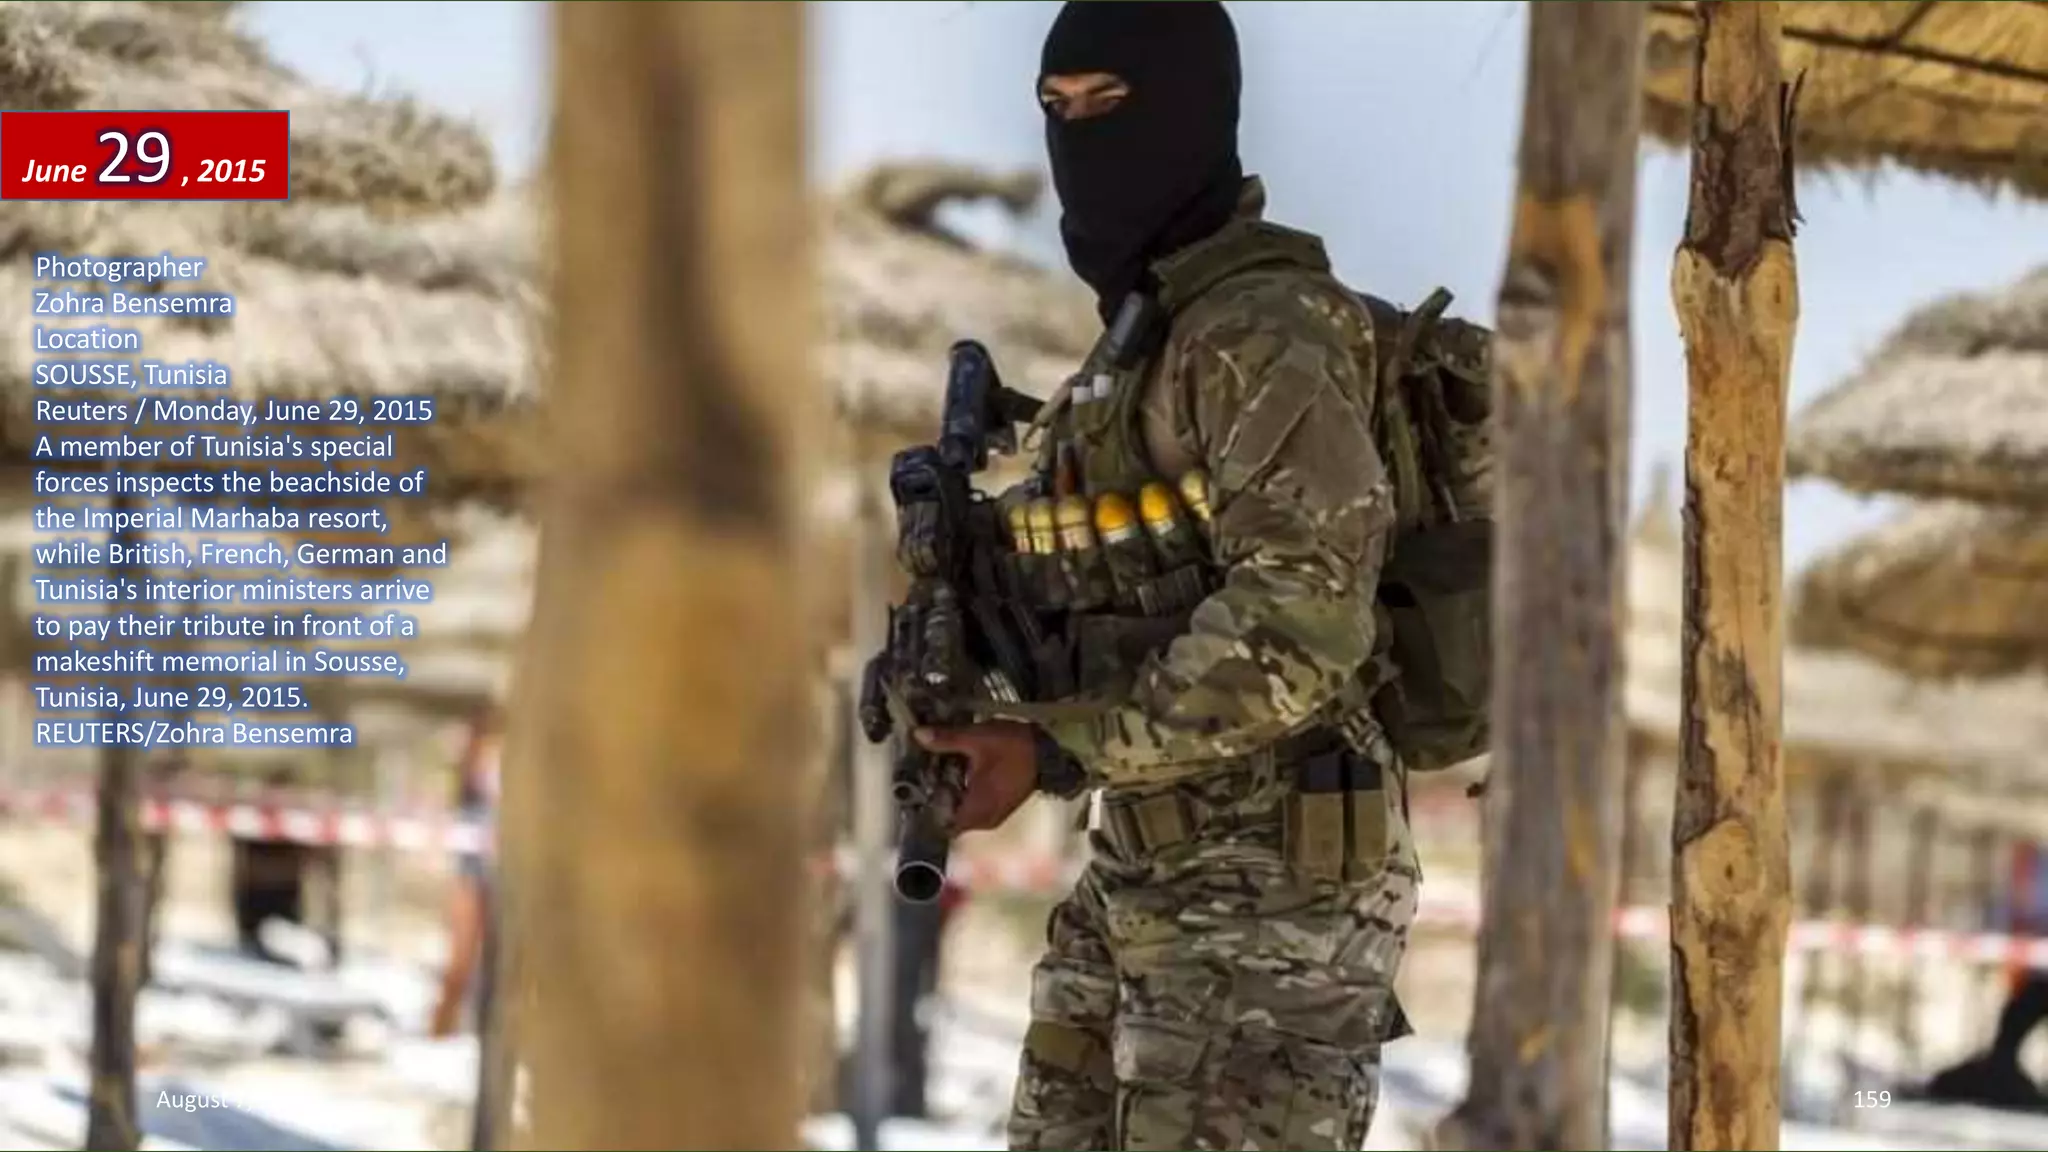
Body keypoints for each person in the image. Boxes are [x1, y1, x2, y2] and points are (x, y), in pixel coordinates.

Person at [911, 5, 1422, 1148]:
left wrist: (1052, 752)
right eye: (1057, 108)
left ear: (1195, 109)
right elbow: (1124, 608)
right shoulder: (1145, 343)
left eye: (1110, 103)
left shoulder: (1263, 329)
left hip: (1273, 899)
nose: (1079, 136)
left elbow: (1301, 621)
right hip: (1148, 866)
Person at [430, 705, 502, 1038]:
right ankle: (440, 1034)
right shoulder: (474, 779)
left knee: (490, 971)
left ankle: (459, 1033)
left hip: (500, 876)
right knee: (459, 966)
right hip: (473, 875)